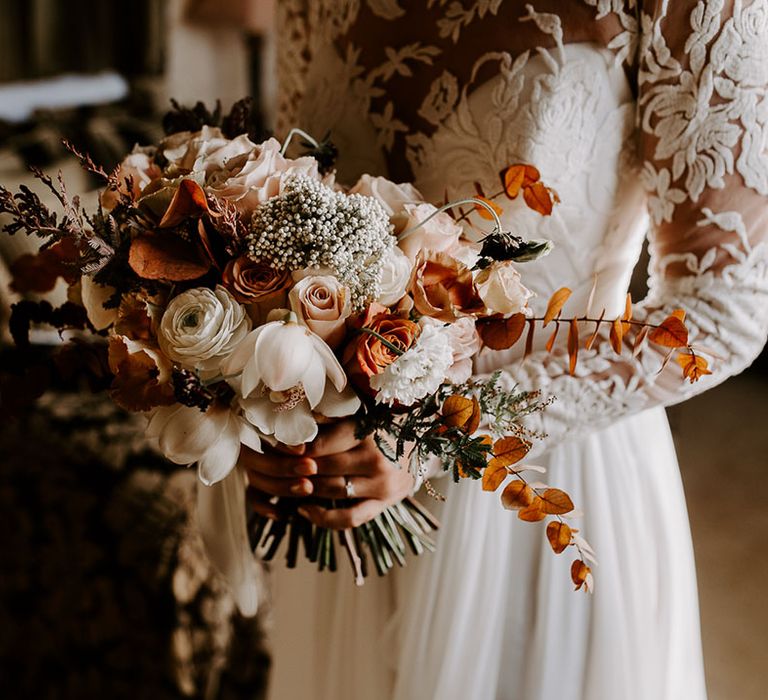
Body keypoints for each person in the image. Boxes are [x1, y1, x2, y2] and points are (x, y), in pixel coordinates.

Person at [242, 2, 768, 698]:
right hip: (345, 488)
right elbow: (297, 218)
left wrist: (442, 436)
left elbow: (725, 306)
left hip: (546, 481)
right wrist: (263, 398)